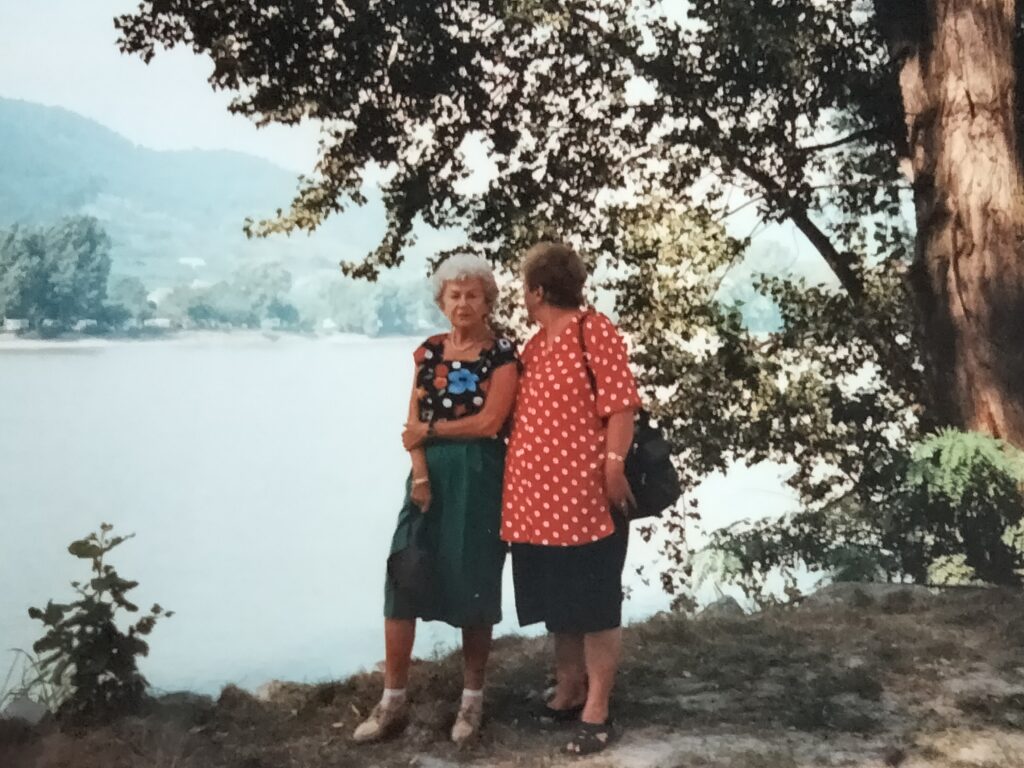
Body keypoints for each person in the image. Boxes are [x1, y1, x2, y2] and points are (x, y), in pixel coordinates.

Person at [353, 254, 519, 745]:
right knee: (403, 575)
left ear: (488, 301)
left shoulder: (502, 354)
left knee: (473, 582)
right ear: (442, 302)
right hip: (429, 477)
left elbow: (490, 422)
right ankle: (392, 701)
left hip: (480, 476)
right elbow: (412, 425)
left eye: (472, 295)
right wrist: (420, 474)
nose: (463, 303)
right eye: (454, 295)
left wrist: (432, 431)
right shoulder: (428, 352)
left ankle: (471, 702)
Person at [501, 241, 641, 755]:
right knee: (558, 600)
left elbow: (621, 405)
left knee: (595, 601)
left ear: (538, 290)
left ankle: (597, 710)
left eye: (526, 288)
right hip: (536, 503)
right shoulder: (535, 346)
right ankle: (568, 689)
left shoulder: (592, 330)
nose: (524, 297)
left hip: (586, 498)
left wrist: (613, 465)